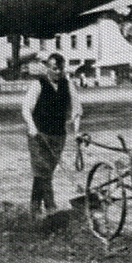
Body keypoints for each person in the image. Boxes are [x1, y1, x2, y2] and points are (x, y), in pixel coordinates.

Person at [21, 53, 83, 219]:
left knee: (45, 173)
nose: (58, 72)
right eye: (54, 68)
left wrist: (76, 132)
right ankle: (50, 208)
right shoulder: (38, 84)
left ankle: (35, 209)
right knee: (43, 171)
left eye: (61, 69)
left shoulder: (68, 85)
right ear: (48, 68)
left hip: (58, 136)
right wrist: (32, 127)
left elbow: (77, 111)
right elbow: (26, 108)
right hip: (38, 135)